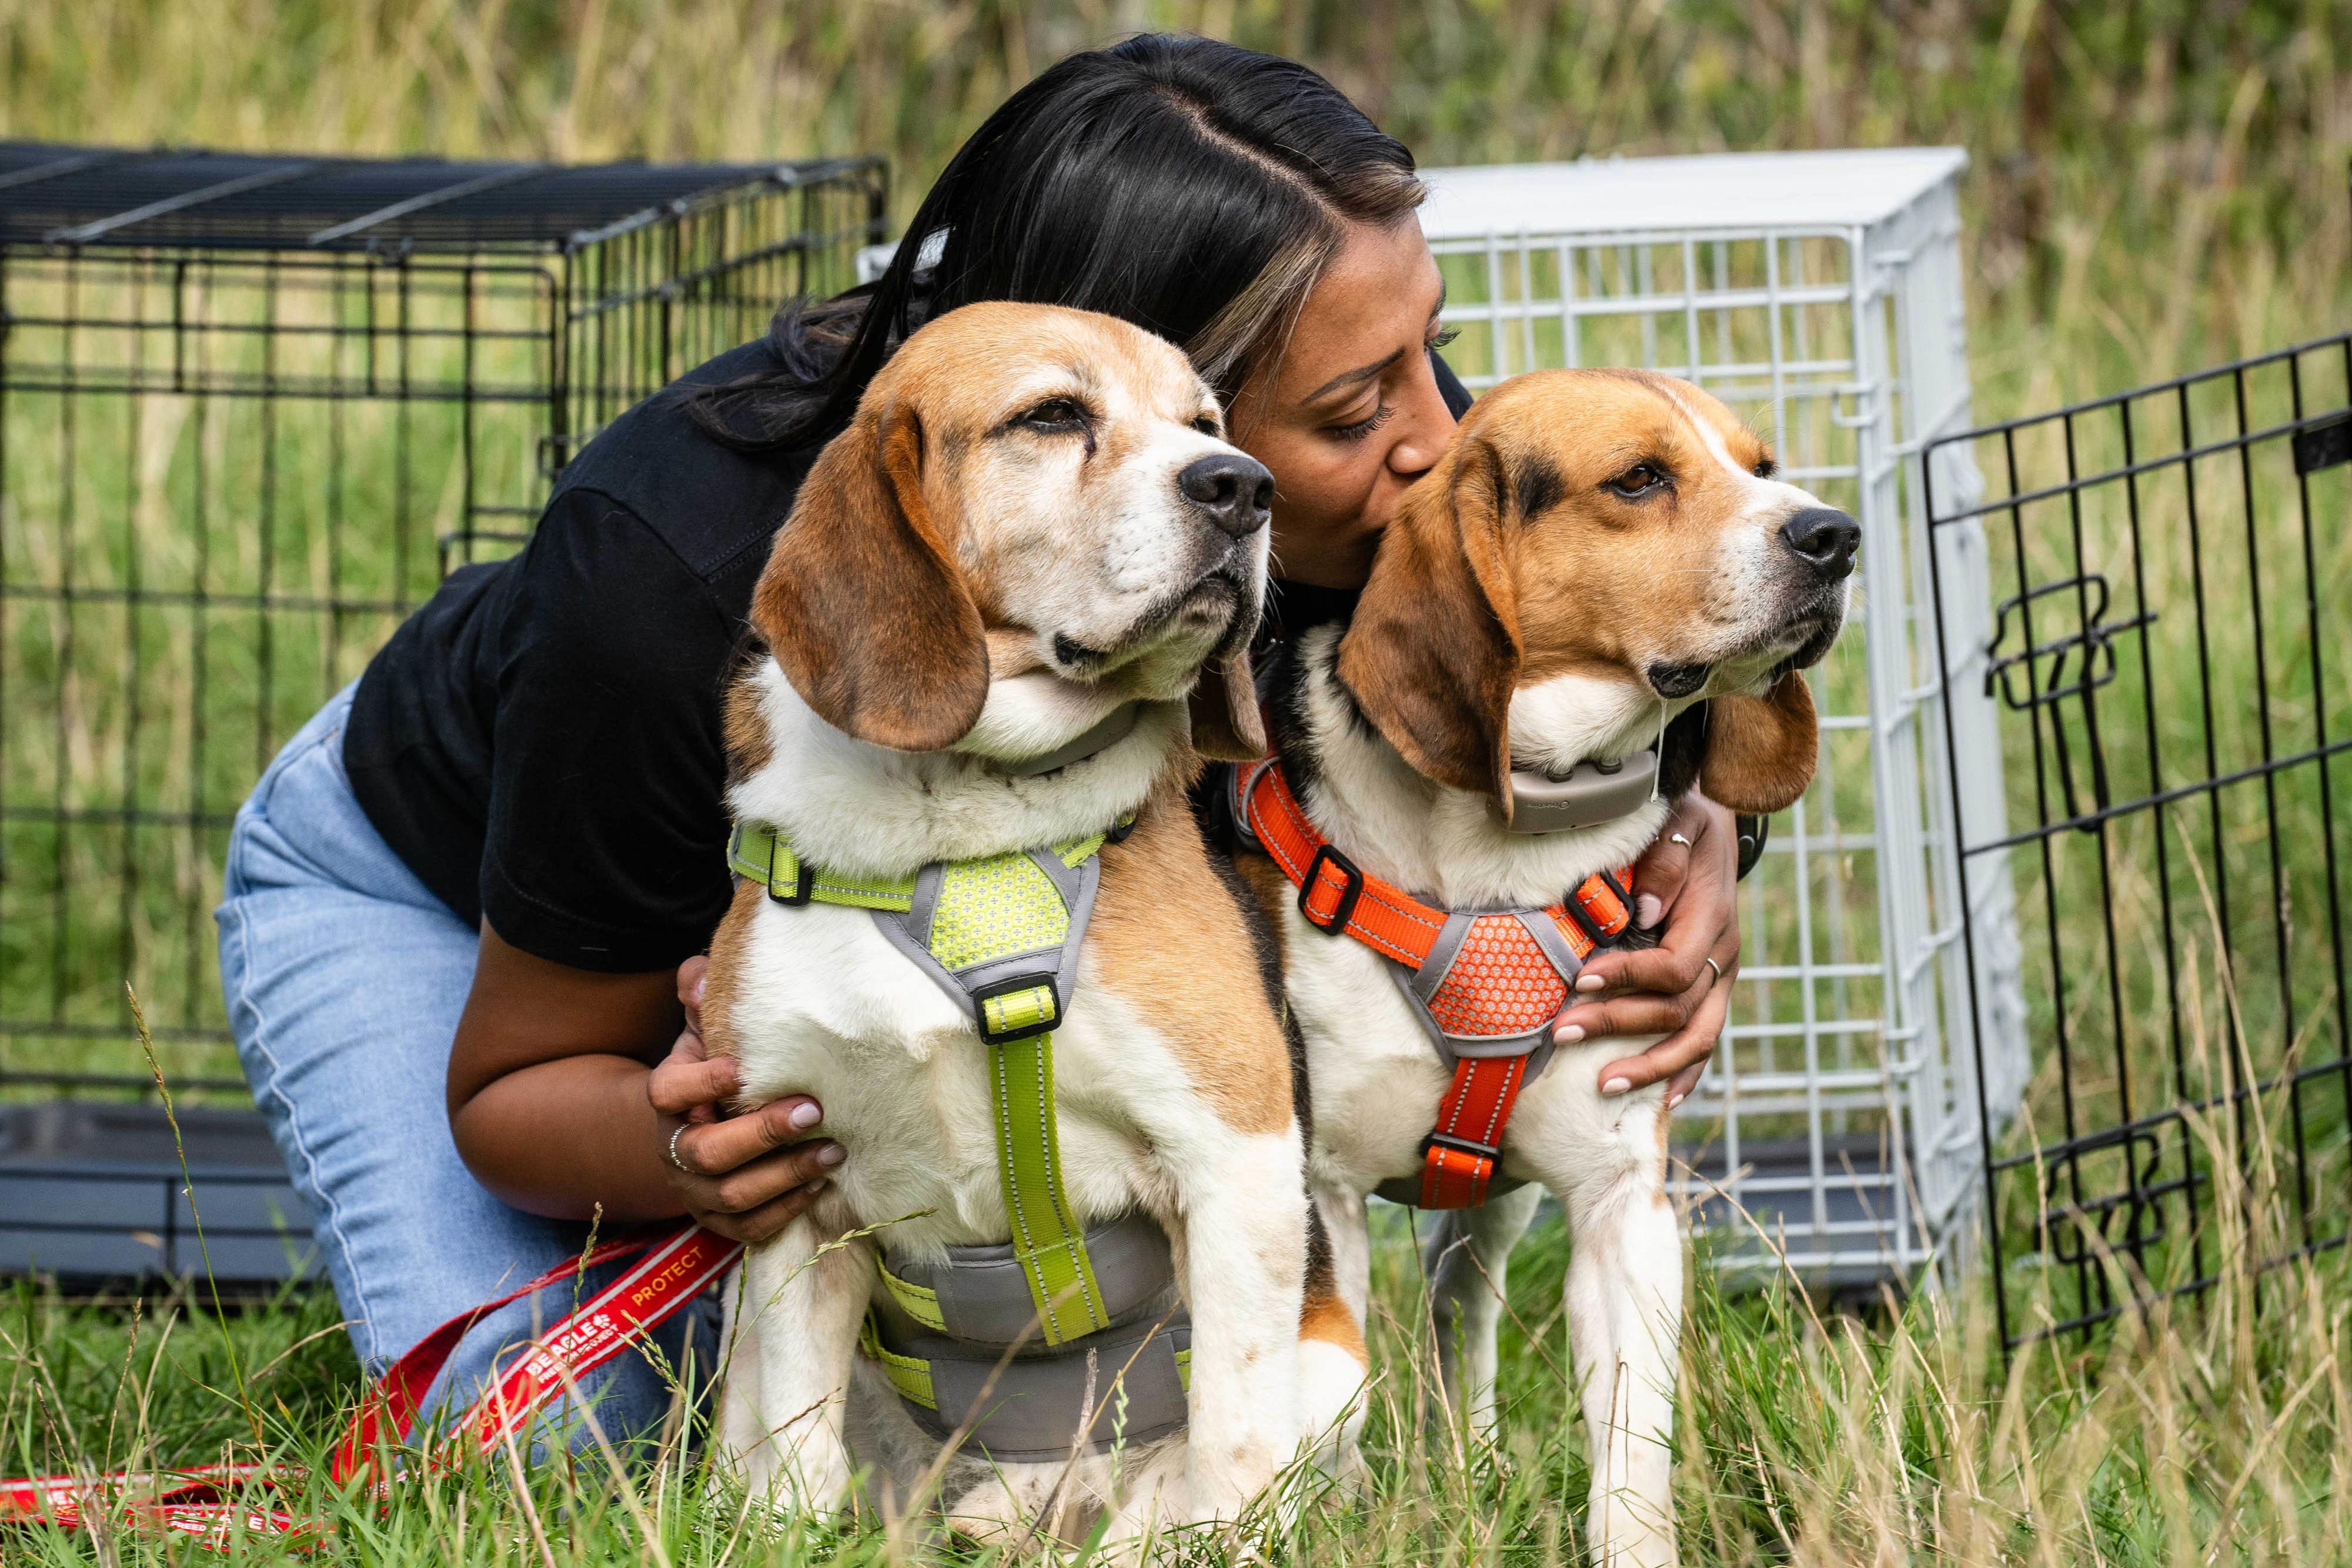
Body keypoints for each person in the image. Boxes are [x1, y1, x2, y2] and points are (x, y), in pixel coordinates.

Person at [214, 33, 1743, 1456]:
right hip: (487, 913)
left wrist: (1697, 842)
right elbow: (518, 1090)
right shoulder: (664, 584)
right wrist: (687, 1146)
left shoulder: (1351, 474)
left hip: (984, 909)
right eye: (1354, 404)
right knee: (581, 1433)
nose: (1433, 440)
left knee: (1045, 1409)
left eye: (1430, 354)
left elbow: (1635, 658)